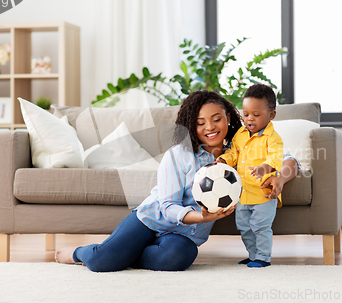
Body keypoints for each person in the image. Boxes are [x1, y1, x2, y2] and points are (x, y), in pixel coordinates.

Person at [55, 90, 244, 272]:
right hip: (151, 220)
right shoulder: (180, 154)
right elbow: (167, 205)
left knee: (177, 257)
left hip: (181, 235)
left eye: (217, 119)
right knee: (101, 262)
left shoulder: (238, 157)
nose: (210, 127)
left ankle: (123, 254)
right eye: (200, 123)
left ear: (228, 118)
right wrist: (201, 217)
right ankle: (80, 253)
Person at [217, 83, 299, 268]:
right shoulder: (240, 134)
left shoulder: (272, 138)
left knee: (260, 228)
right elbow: (233, 154)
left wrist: (265, 167)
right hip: (243, 194)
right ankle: (253, 255)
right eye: (246, 114)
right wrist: (224, 160)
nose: (249, 119)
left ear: (271, 115)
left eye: (256, 115)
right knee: (245, 228)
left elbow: (276, 156)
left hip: (263, 194)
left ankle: (263, 257)